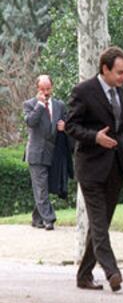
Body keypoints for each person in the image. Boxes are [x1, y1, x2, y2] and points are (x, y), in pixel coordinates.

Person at [65, 46, 123, 292]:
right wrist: (95, 137)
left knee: (100, 223)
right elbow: (70, 126)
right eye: (119, 72)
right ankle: (111, 270)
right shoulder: (84, 91)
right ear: (105, 69)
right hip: (91, 167)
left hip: (116, 166)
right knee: (99, 221)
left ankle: (84, 275)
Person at [23, 75, 66, 231]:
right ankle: (49, 219)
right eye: (42, 89)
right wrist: (40, 105)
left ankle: (36, 218)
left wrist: (64, 126)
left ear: (52, 87)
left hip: (53, 153)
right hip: (36, 153)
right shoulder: (30, 104)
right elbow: (30, 122)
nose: (46, 92)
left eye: (48, 89)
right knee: (41, 188)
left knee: (44, 188)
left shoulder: (59, 105)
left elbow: (67, 122)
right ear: (37, 89)